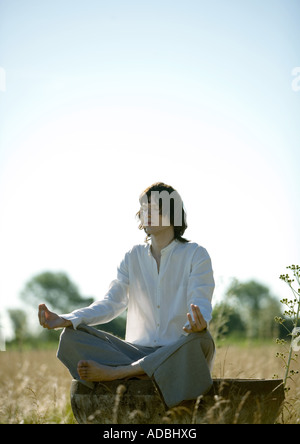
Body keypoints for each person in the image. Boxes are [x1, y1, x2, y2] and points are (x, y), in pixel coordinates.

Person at [38, 182, 215, 408]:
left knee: (201, 340)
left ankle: (119, 373)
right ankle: (144, 372)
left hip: (177, 353)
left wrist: (198, 324)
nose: (146, 213)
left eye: (153, 207)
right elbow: (112, 302)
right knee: (71, 336)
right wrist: (67, 319)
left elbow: (200, 300)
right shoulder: (132, 257)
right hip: (135, 353)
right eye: (143, 209)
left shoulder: (196, 254)